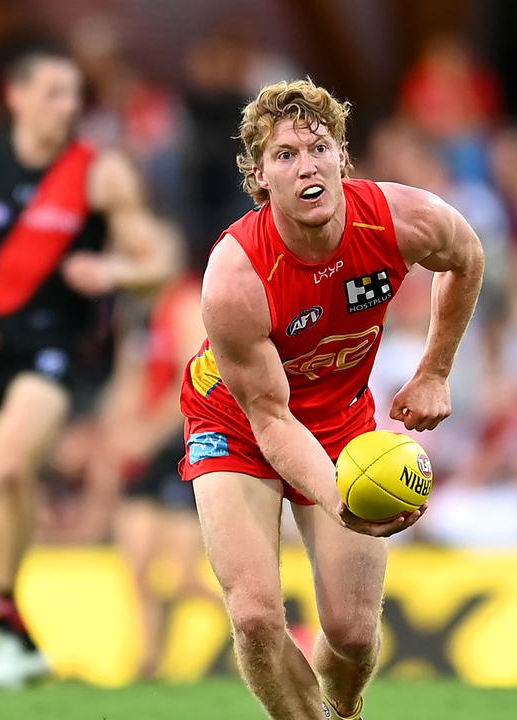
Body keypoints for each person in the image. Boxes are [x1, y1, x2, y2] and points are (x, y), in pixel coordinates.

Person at [179, 79, 485, 720]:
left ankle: (344, 712)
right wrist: (341, 496)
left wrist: (434, 371)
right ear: (259, 178)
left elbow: (467, 257)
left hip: (343, 419)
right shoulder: (235, 278)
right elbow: (270, 416)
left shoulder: (402, 218)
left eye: (317, 146)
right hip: (235, 426)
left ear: (343, 158)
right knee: (258, 618)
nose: (306, 165)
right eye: (284, 154)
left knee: (353, 636)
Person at [0, 45, 171, 689]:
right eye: (55, 93)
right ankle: (13, 629)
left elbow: (159, 256)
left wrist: (113, 270)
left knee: (8, 464)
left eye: (74, 94)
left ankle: (10, 636)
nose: (70, 106)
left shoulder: (99, 172)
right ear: (17, 96)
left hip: (60, 350)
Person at [87, 228, 216, 680]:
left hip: (182, 441)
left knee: (184, 576)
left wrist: (144, 434)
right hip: (146, 445)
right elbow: (128, 381)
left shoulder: (185, 304)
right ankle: (149, 664)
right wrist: (115, 433)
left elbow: (193, 381)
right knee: (138, 565)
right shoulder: (138, 313)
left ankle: (280, 635)